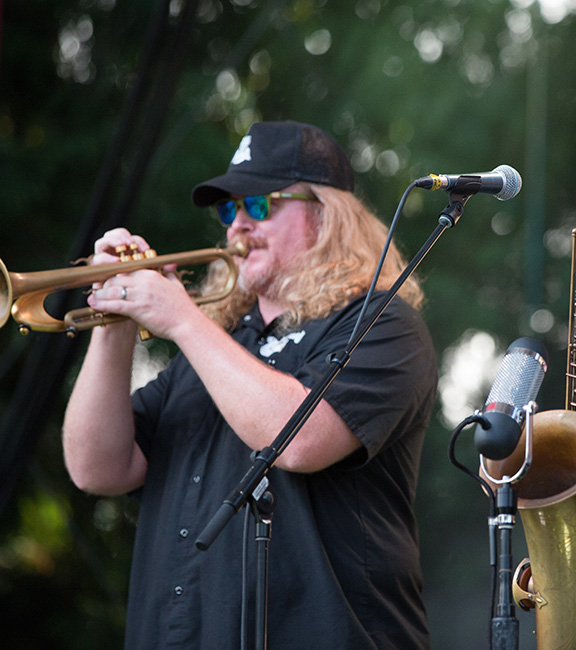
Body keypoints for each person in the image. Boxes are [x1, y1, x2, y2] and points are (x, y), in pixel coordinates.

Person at [62, 120, 437, 649]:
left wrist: (181, 320)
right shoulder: (213, 349)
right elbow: (96, 467)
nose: (237, 225)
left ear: (328, 216)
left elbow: (300, 439)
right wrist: (114, 325)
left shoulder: (380, 322)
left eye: (259, 205)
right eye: (228, 209)